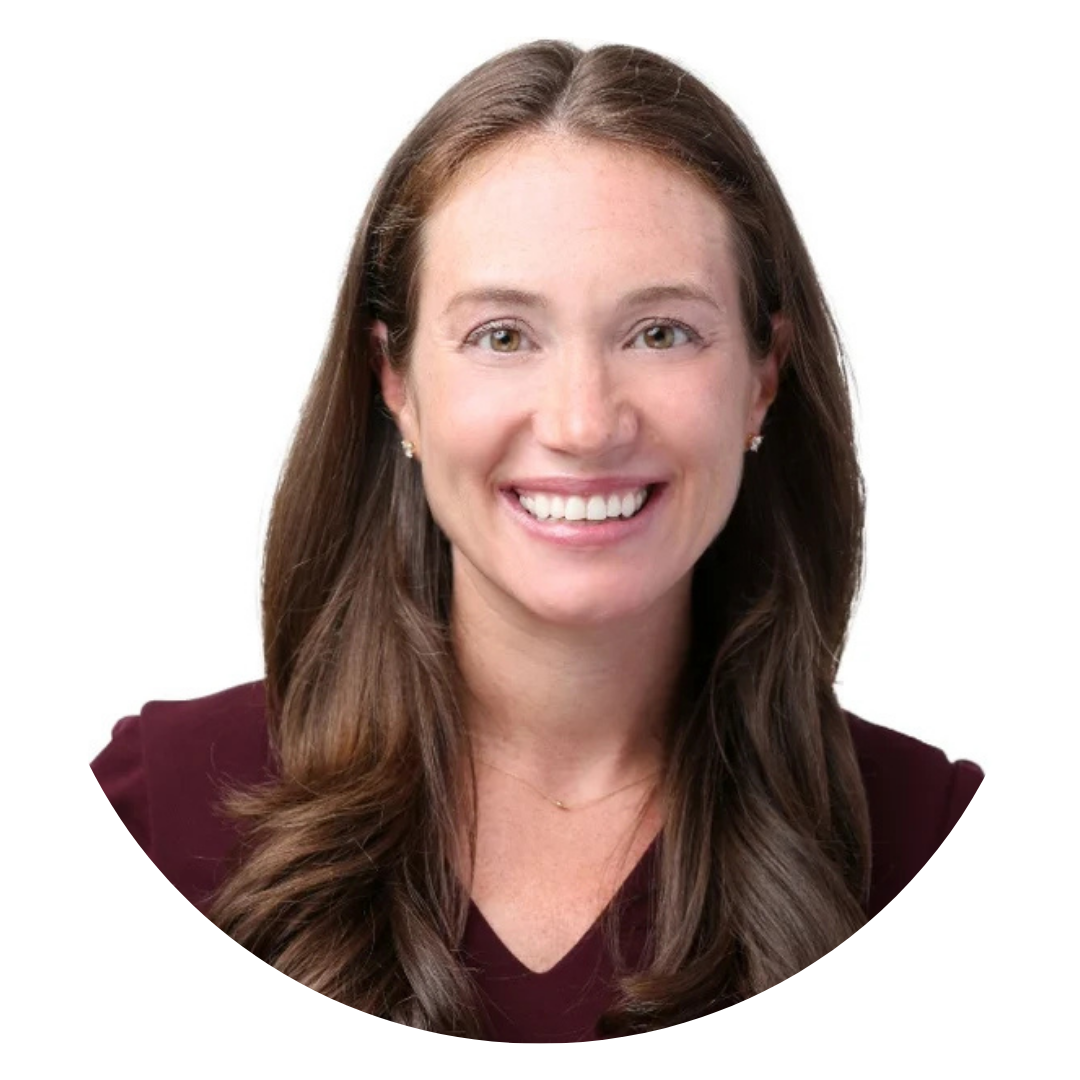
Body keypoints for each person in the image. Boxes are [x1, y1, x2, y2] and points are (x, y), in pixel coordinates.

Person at [90, 39, 983, 1042]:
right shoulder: (153, 817)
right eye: (503, 336)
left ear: (764, 375)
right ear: (394, 383)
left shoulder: (940, 844)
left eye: (660, 332)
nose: (583, 423)